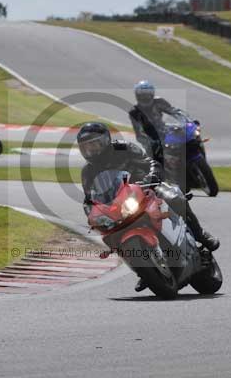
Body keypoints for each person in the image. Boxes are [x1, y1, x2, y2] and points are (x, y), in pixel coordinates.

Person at [77, 122, 220, 292]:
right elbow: (90, 198)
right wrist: (90, 210)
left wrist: (151, 176)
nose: (91, 149)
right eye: (86, 147)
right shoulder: (87, 171)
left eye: (94, 144)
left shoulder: (124, 149)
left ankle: (200, 234)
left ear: (105, 140)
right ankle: (145, 271)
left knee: (175, 197)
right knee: (112, 234)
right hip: (118, 205)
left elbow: (150, 163)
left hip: (146, 189)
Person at [128, 80, 186, 160]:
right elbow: (139, 132)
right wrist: (151, 141)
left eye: (147, 95)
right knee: (156, 160)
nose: (145, 98)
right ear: (137, 96)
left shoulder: (159, 102)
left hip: (164, 131)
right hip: (149, 139)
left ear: (152, 94)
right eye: (142, 95)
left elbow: (173, 111)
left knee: (185, 141)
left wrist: (185, 119)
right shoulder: (134, 112)